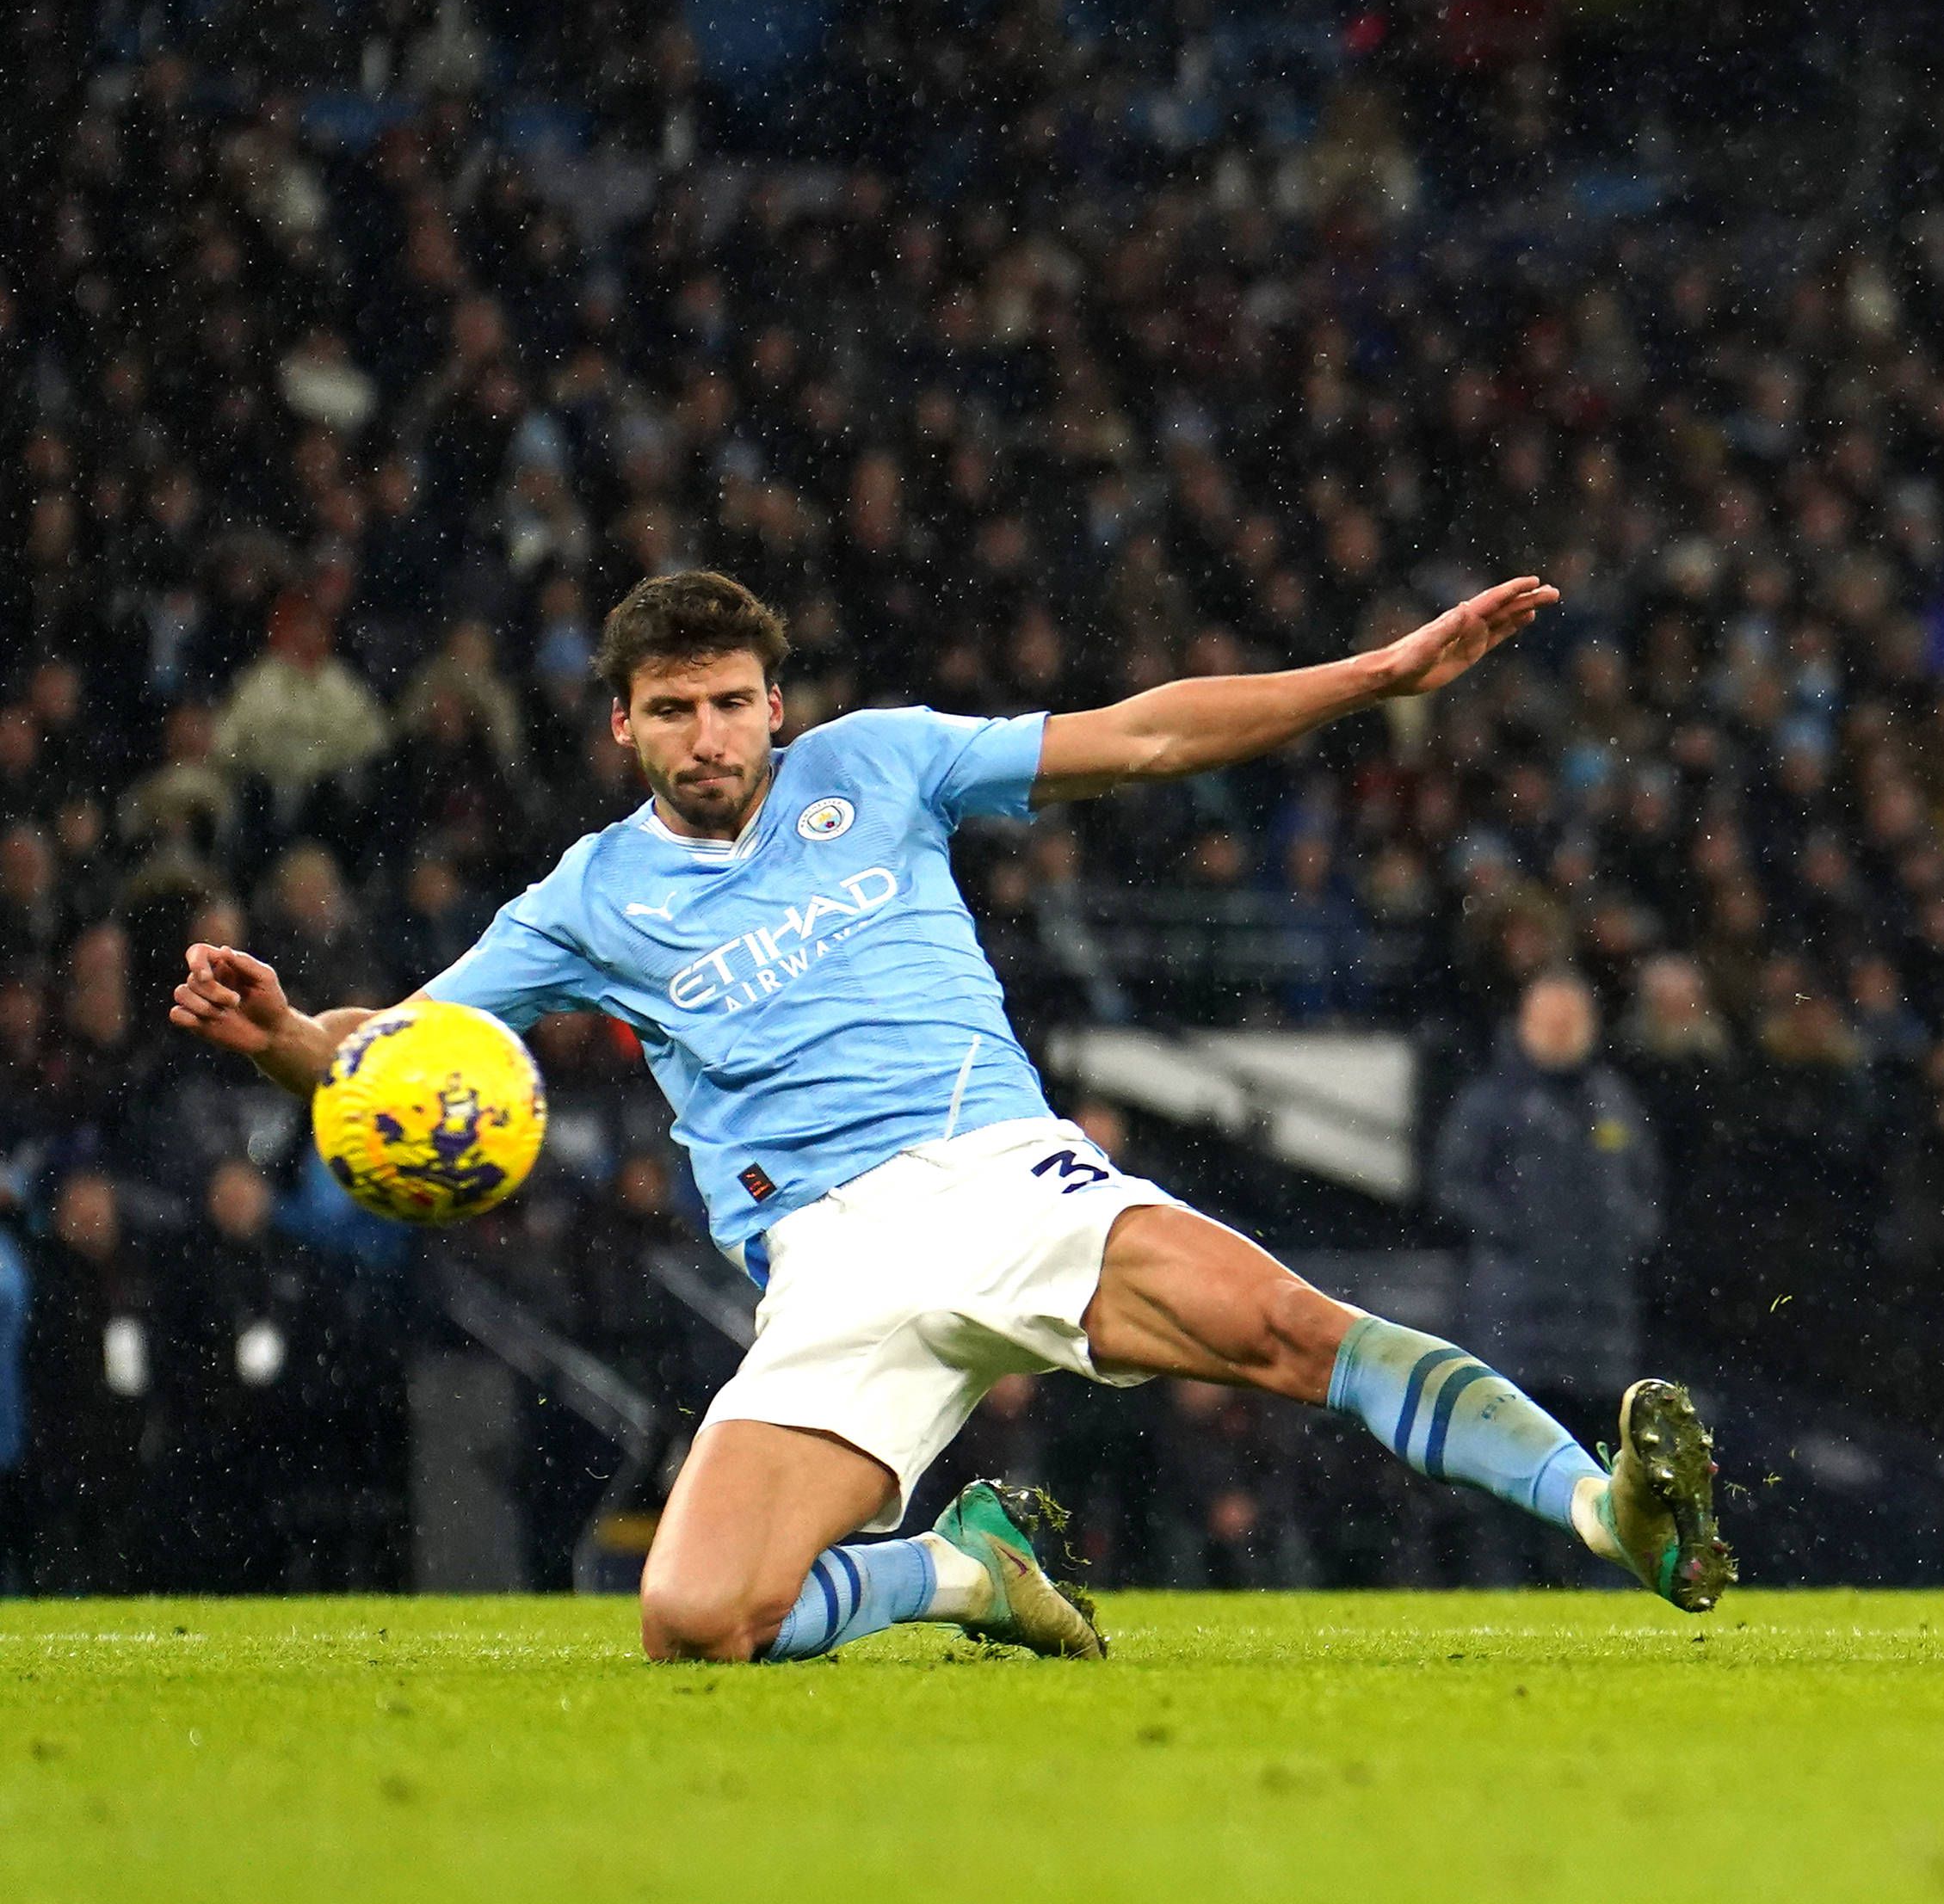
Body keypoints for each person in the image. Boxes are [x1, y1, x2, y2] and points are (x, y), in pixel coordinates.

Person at [170, 570, 1732, 1663]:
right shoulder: (586, 897)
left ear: (775, 702)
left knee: (1285, 1327)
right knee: (693, 1618)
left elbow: (1145, 733)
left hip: (1001, 1177)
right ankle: (962, 1569)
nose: (710, 736)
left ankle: (1607, 1507)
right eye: (673, 711)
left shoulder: (883, 760)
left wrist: (1376, 676)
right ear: (624, 730)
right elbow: (405, 1053)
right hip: (826, 1268)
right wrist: (292, 1036)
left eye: (731, 702)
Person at [1434, 971, 1663, 1579]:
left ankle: (1584, 1591)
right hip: (1517, 1327)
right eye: (1550, 1018)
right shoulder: (1492, 1101)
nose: (1562, 1031)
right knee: (1514, 1463)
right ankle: (1512, 1585)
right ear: (1525, 1023)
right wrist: (1526, 1239)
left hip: (1600, 1330)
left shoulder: (1613, 1100)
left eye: (1571, 1019)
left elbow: (1646, 1190)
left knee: (1597, 1466)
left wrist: (1622, 1239)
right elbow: (1453, 1187)